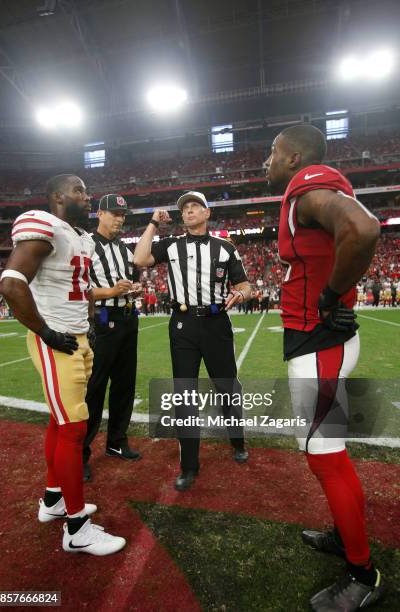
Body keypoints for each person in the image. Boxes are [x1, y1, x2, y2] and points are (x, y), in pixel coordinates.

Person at [265, 125, 382, 611]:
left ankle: (363, 572)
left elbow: (364, 228)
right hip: (317, 340)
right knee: (321, 448)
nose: (265, 163)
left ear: (293, 158)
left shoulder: (309, 183)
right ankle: (344, 537)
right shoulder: (306, 191)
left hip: (321, 340)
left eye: (272, 153)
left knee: (324, 452)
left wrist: (331, 295)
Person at [0, 174, 126, 556]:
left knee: (61, 421)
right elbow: (10, 283)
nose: (86, 197)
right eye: (79, 191)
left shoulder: (79, 237)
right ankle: (76, 528)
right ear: (57, 196)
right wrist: (46, 332)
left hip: (78, 338)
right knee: (74, 429)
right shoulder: (44, 224)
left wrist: (87, 323)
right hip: (57, 340)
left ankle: (53, 501)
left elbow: (82, 287)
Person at [134, 191, 251, 491]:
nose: (188, 212)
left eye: (194, 206)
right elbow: (140, 258)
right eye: (184, 208)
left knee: (226, 386)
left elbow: (245, 285)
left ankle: (238, 441)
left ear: (207, 213)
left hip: (216, 324)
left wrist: (241, 293)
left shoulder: (225, 247)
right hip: (183, 324)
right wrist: (152, 224)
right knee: (184, 395)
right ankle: (189, 465)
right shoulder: (171, 245)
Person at [83, 194, 141, 482]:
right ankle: (81, 452)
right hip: (103, 319)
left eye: (123, 214)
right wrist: (110, 292)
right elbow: (77, 290)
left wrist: (135, 288)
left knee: (124, 385)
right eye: (114, 213)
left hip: (129, 318)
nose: (120, 218)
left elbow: (131, 278)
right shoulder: (85, 246)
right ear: (99, 214)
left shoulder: (125, 249)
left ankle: (117, 441)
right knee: (95, 388)